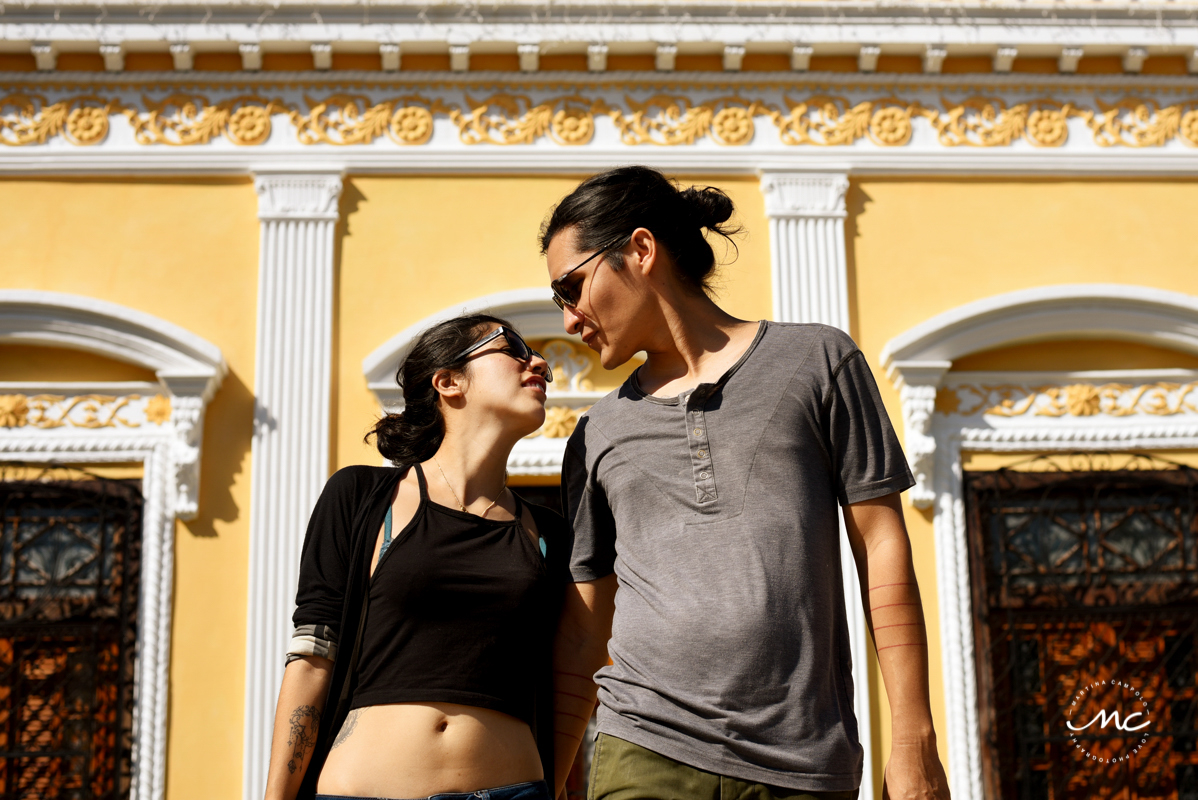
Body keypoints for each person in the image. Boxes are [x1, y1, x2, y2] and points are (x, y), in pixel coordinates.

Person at [543, 167, 951, 800]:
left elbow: (883, 547)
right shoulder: (598, 432)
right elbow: (583, 627)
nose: (568, 320)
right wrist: (548, 778)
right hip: (642, 752)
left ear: (640, 251)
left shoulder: (818, 361)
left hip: (804, 764)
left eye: (571, 287)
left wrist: (913, 740)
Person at [262, 315, 571, 800]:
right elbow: (312, 660)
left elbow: (566, 682)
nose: (538, 362)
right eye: (510, 347)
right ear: (448, 382)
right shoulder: (363, 498)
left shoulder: (548, 533)